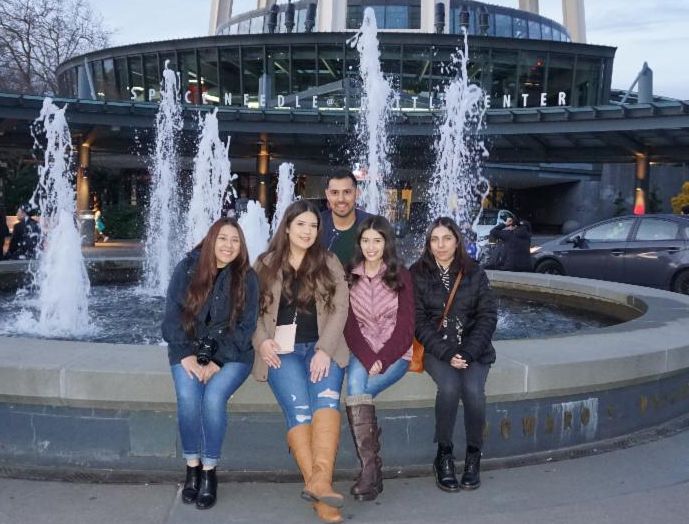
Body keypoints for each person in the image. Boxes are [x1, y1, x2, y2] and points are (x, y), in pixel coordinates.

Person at [252, 200, 349, 524]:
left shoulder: (329, 261)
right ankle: (321, 489)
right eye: (301, 224)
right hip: (282, 352)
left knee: (327, 402)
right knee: (301, 411)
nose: (307, 231)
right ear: (287, 227)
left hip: (322, 348)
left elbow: (341, 308)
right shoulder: (265, 263)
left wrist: (325, 350)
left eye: (313, 226)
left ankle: (318, 485)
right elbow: (249, 311)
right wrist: (262, 341)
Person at [162, 217, 258, 510]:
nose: (228, 246)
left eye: (235, 240)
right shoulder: (187, 268)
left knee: (213, 398)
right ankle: (192, 467)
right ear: (210, 240)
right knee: (189, 398)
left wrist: (217, 359)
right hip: (187, 349)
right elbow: (172, 316)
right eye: (222, 238)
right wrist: (186, 354)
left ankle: (209, 471)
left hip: (233, 354)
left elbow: (247, 326)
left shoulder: (247, 277)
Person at [410, 217, 497, 493]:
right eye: (434, 240)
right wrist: (447, 353)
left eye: (446, 238)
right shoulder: (417, 273)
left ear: (457, 241)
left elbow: (487, 316)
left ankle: (473, 455)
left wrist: (469, 352)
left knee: (473, 391)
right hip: (438, 349)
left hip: (474, 350)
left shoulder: (474, 272)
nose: (441, 245)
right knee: (448, 387)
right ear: (428, 244)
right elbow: (418, 321)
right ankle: (444, 454)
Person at [343, 215, 415, 501]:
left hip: (395, 353)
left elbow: (406, 328)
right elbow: (350, 326)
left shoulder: (400, 275)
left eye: (377, 240)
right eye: (366, 240)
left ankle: (370, 471)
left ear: (386, 243)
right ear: (359, 243)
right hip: (362, 350)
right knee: (355, 388)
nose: (371, 247)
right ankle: (371, 470)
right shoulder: (350, 275)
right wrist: (366, 356)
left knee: (356, 395)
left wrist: (382, 359)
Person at [320, 172, 371, 266]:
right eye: (334, 192)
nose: (341, 199)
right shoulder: (316, 225)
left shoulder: (373, 224)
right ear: (327, 194)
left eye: (347, 192)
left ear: (357, 193)